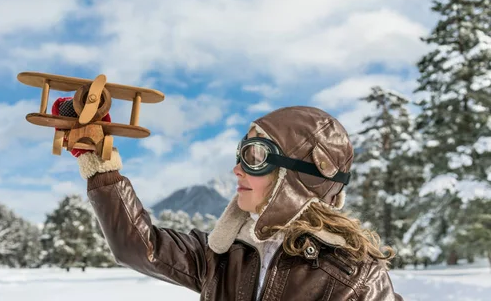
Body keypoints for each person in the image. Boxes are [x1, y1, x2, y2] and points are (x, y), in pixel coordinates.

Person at [74, 106, 404, 300]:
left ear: (299, 177)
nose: (236, 169)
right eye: (241, 154)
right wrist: (100, 164)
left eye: (255, 156)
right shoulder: (224, 255)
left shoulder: (355, 277)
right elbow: (138, 247)